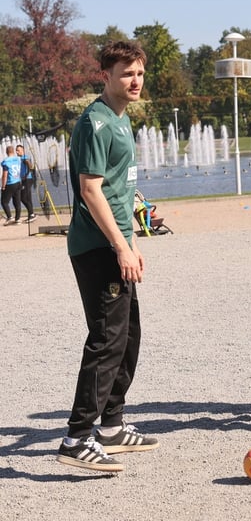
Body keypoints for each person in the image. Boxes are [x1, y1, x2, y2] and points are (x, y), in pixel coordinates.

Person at [57, 41, 159, 473]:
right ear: (107, 75)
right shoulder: (96, 123)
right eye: (126, 73)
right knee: (106, 339)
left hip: (117, 243)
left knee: (128, 335)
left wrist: (136, 226)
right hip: (98, 247)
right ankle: (76, 437)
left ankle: (112, 427)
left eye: (139, 73)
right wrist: (121, 246)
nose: (134, 81)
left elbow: (118, 188)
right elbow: (90, 190)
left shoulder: (121, 120)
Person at [1, 144, 23, 225]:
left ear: (6, 152)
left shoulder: (6, 162)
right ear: (13, 151)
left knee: (4, 201)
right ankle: (17, 218)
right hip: (18, 182)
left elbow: (5, 175)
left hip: (10, 183)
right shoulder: (17, 159)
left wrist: (3, 186)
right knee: (17, 201)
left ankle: (9, 217)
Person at [16, 144, 37, 223]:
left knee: (23, 198)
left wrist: (26, 175)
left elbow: (30, 165)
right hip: (26, 180)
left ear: (23, 150)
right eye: (16, 150)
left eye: (18, 150)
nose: (17, 152)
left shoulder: (25, 157)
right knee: (28, 198)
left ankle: (31, 214)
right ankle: (30, 215)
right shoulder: (21, 158)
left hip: (27, 180)